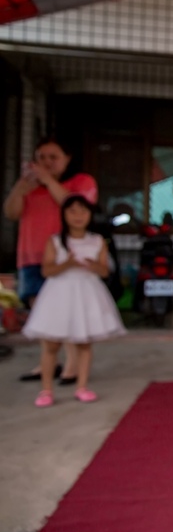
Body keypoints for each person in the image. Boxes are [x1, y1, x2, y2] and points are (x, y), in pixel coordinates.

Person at [3, 137, 97, 385]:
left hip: (65, 256)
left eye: (53, 157)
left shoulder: (81, 182)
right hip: (30, 255)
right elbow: (11, 213)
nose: (46, 162)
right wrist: (21, 188)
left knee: (66, 311)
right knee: (41, 312)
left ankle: (72, 365)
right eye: (41, 157)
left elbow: (74, 206)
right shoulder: (31, 187)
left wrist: (47, 181)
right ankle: (48, 362)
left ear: (67, 159)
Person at [22, 195, 126, 407]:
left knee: (84, 343)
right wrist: (67, 264)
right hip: (59, 293)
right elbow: (47, 270)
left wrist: (92, 266)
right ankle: (46, 390)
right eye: (72, 211)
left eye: (83, 211)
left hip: (87, 292)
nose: (78, 216)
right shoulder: (55, 240)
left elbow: (105, 270)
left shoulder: (97, 241)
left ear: (90, 215)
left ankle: (82, 386)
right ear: (64, 215)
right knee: (51, 344)